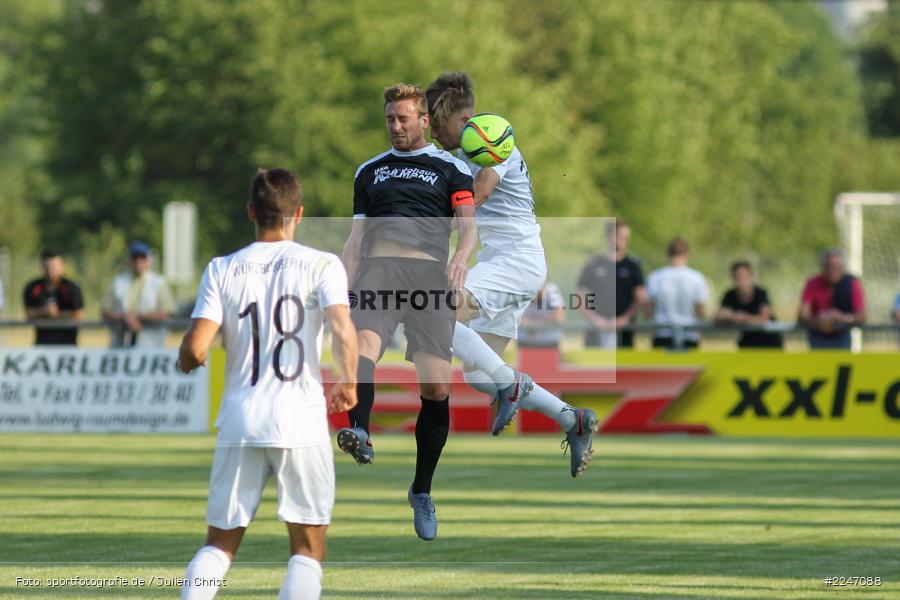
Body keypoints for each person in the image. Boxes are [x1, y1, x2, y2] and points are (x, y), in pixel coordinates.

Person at [176, 168, 358, 600]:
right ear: (298, 213)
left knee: (220, 543)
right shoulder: (321, 264)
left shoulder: (222, 268)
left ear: (250, 212)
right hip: (300, 419)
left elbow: (197, 348)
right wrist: (347, 381)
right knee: (308, 548)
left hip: (241, 419)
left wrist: (185, 360)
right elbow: (342, 329)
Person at [426, 71, 597, 477]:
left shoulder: (490, 135)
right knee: (477, 375)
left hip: (516, 263)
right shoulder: (458, 154)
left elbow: (480, 191)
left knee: (434, 316)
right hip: (502, 264)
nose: (433, 133)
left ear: (460, 119)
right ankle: (574, 420)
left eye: (436, 123)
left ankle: (512, 384)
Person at [337, 83, 477, 541]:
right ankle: (358, 430)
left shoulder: (451, 168)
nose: (396, 127)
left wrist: (461, 257)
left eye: (403, 119)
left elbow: (468, 228)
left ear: (423, 121)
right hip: (379, 271)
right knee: (364, 347)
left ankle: (421, 490)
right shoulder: (370, 171)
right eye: (389, 120)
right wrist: (341, 287)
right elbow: (356, 241)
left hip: (430, 277)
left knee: (436, 385)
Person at [577, 220, 645, 348]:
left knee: (623, 367)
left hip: (624, 331)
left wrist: (625, 319)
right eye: (620, 236)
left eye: (626, 237)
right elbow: (580, 297)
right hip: (596, 330)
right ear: (608, 236)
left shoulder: (633, 265)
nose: (623, 240)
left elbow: (640, 298)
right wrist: (595, 320)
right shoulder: (593, 263)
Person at [102, 242, 175, 347]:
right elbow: (105, 310)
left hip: (151, 344)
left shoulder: (158, 282)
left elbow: (167, 311)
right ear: (129, 260)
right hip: (121, 343)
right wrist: (124, 318)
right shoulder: (118, 281)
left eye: (142, 258)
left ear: (148, 261)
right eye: (135, 258)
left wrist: (138, 317)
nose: (138, 262)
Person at [646, 237, 710, 349]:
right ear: (687, 255)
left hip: (662, 333)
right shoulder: (697, 278)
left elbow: (649, 311)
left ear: (668, 254)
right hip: (689, 334)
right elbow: (701, 312)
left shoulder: (655, 277)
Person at [798, 248, 866, 350]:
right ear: (823, 267)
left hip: (842, 337)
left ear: (843, 267)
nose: (833, 270)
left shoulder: (851, 283)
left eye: (837, 266)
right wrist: (819, 321)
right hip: (818, 337)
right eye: (829, 266)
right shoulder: (813, 283)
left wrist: (843, 318)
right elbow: (803, 315)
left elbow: (861, 316)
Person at [714, 260, 783, 349]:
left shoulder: (760, 293)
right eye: (738, 277)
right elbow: (718, 316)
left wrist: (745, 318)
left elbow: (765, 317)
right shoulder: (730, 295)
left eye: (744, 277)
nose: (742, 281)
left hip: (769, 340)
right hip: (748, 340)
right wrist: (734, 317)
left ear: (751, 276)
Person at [22, 250, 85, 345]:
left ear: (62, 266)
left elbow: (78, 314)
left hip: (67, 343)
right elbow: (28, 313)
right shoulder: (33, 287)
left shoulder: (71, 287)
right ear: (42, 267)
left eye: (54, 267)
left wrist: (56, 314)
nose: (51, 272)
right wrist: (43, 311)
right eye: (47, 268)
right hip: (42, 343)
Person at [518, 279, 565, 348]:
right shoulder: (521, 291)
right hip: (526, 342)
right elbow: (514, 316)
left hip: (549, 342)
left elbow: (559, 317)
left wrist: (535, 325)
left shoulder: (552, 291)